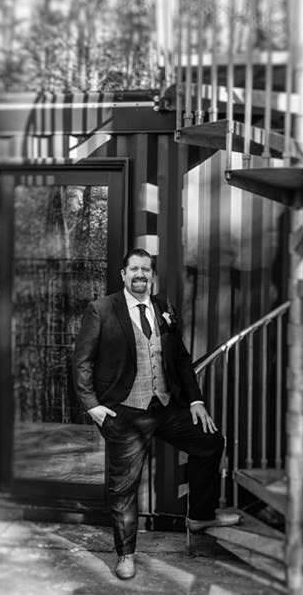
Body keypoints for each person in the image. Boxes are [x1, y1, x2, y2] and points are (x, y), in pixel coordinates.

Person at [72, 247, 239, 581]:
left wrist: (195, 401)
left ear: (152, 275)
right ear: (123, 275)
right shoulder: (102, 309)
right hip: (125, 411)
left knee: (209, 441)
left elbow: (180, 358)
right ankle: (125, 554)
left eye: (146, 270)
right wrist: (93, 407)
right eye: (134, 269)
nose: (140, 275)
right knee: (124, 487)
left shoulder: (164, 307)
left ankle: (200, 516)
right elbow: (82, 361)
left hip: (165, 406)